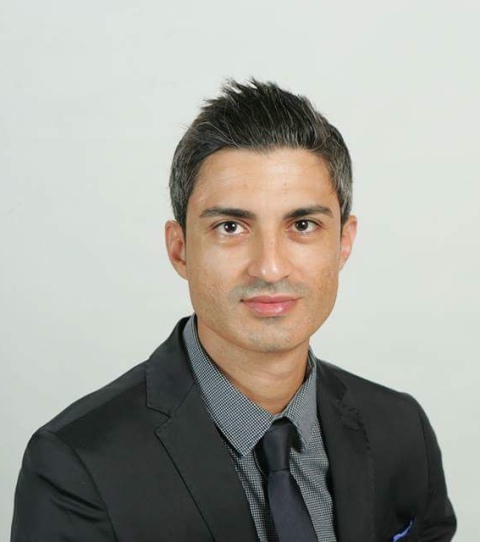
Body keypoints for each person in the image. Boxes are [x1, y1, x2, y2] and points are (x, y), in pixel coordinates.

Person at [10, 79, 456, 542]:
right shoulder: (77, 466)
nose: (270, 267)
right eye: (230, 227)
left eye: (303, 225)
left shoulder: (401, 431)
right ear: (180, 249)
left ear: (344, 242)